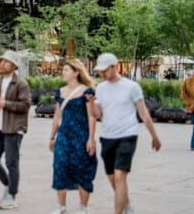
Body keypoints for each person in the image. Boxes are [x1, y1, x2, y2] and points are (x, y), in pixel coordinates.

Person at [87, 53, 161, 214]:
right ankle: (126, 204)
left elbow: (143, 113)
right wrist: (91, 102)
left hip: (127, 135)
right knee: (112, 178)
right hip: (107, 137)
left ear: (115, 66)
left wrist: (154, 136)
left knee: (120, 176)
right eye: (100, 71)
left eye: (105, 70)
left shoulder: (131, 87)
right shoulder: (100, 88)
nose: (102, 74)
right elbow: (97, 114)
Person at [0, 51, 31, 210]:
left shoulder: (21, 84)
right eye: (2, 61)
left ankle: (11, 195)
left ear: (14, 65)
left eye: (6, 62)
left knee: (11, 162)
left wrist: (5, 104)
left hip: (13, 128)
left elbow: (25, 106)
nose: (2, 64)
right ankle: (9, 184)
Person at [49, 60, 98, 214]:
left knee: (83, 169)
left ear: (76, 72)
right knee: (60, 167)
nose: (63, 72)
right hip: (64, 136)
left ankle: (83, 207)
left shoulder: (87, 92)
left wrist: (91, 139)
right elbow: (57, 115)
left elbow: (92, 117)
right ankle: (61, 207)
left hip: (81, 136)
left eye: (66, 70)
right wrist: (52, 137)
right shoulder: (61, 91)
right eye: (63, 70)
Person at [181, 69, 194, 151]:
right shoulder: (188, 81)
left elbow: (183, 96)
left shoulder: (187, 81)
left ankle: (193, 145)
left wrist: (190, 104)